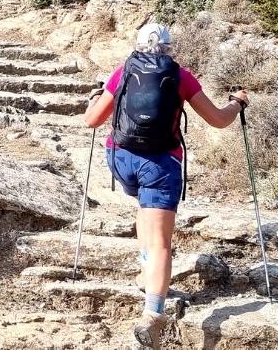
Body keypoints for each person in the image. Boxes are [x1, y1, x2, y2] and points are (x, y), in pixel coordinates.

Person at [80, 22, 248, 350]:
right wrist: (238, 102)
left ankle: (147, 276)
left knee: (146, 211)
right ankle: (153, 317)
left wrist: (97, 96)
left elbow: (92, 120)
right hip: (159, 164)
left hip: (121, 160)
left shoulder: (122, 71)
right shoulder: (181, 77)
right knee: (161, 243)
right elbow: (217, 119)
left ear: (137, 44)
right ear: (169, 49)